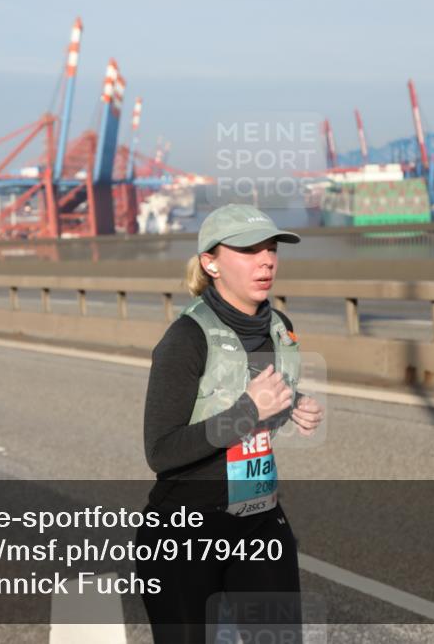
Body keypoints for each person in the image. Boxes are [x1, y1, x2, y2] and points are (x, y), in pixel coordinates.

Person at [136, 204, 325, 643]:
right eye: (249, 250)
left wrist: (293, 404)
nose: (266, 260)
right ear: (211, 263)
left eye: (271, 248)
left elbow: (252, 394)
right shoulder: (185, 339)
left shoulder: (278, 328)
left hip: (259, 517)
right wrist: (248, 412)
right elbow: (160, 450)